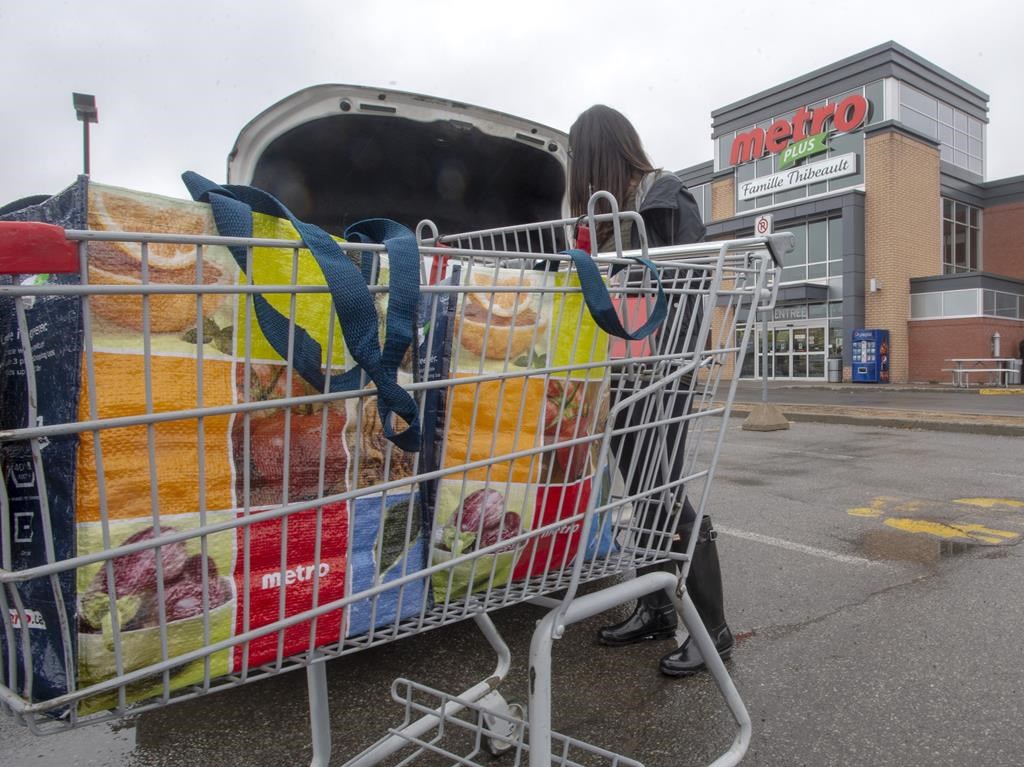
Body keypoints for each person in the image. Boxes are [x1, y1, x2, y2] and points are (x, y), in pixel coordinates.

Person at [568, 104, 733, 677]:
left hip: (661, 371)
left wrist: (672, 362)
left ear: (599, 157)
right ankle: (658, 607)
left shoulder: (665, 198)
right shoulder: (608, 217)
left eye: (581, 162)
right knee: (641, 493)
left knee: (666, 491)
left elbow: (694, 283)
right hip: (622, 372)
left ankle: (713, 628)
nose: (580, 178)